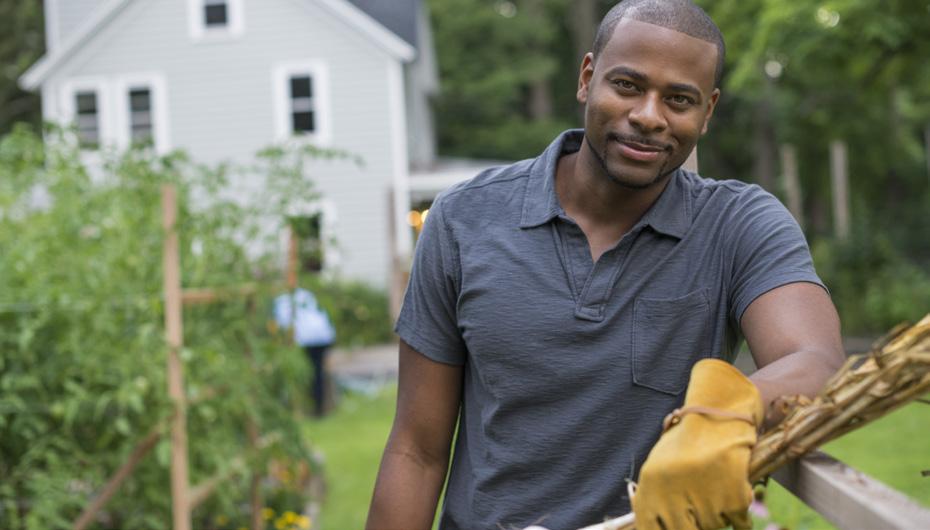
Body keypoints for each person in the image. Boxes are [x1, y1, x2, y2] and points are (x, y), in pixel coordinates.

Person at [367, 1, 845, 529]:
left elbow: (816, 360)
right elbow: (416, 449)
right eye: (628, 85)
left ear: (707, 113)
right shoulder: (463, 219)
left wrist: (721, 416)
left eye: (679, 99)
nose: (648, 115)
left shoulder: (738, 224)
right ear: (587, 78)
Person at [274, 287, 336, 417]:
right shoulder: (306, 294)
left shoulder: (281, 301)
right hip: (323, 335)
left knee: (306, 373)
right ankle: (319, 408)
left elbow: (284, 325)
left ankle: (310, 408)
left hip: (307, 338)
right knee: (318, 372)